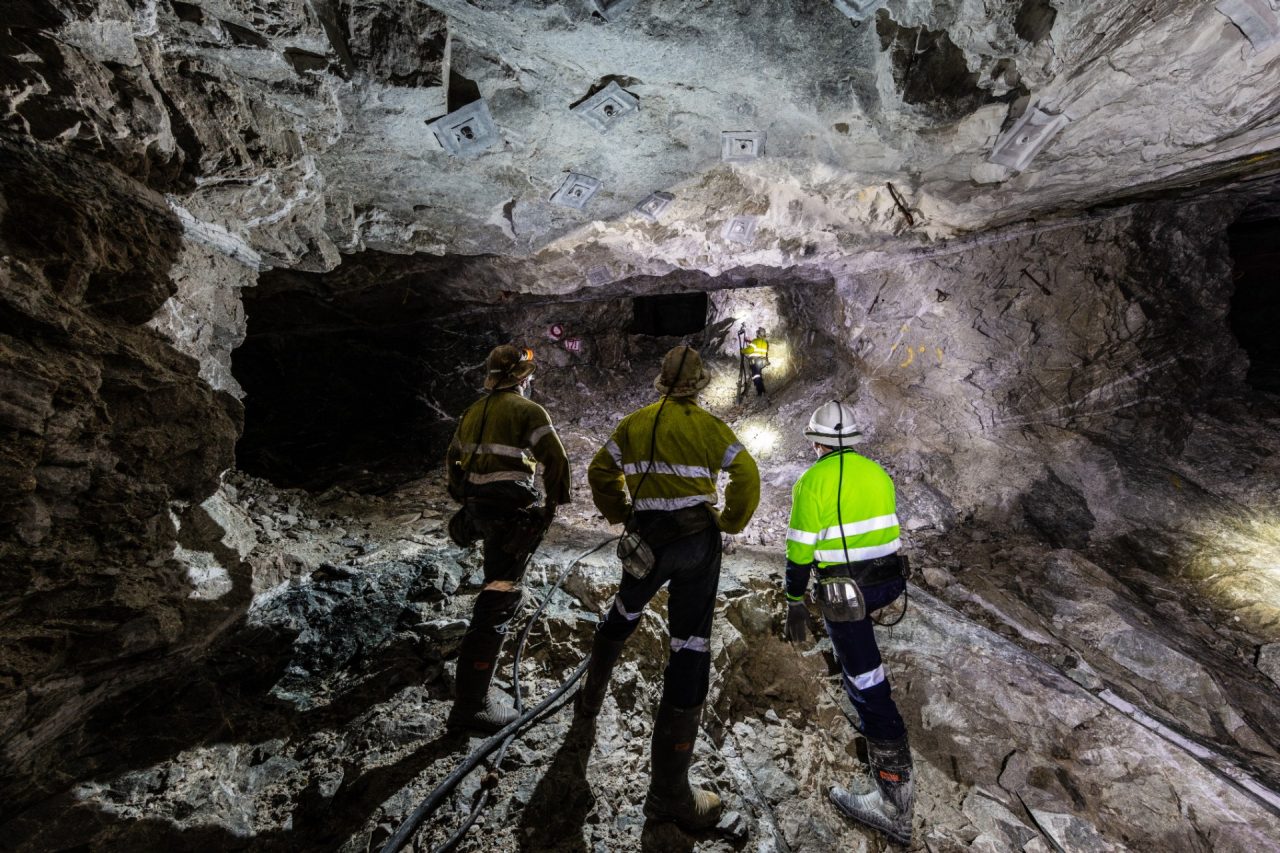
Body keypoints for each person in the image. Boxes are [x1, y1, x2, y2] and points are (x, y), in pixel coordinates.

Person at [580, 345, 760, 832]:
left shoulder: (635, 423)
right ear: (699, 386)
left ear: (660, 381)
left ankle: (589, 703)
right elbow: (746, 472)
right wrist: (730, 519)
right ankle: (670, 795)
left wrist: (621, 513)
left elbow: (599, 470)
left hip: (647, 539)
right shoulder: (708, 428)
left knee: (625, 608)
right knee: (690, 642)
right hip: (697, 540)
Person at [782, 400, 913, 845]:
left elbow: (800, 552)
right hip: (888, 583)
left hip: (848, 594)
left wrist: (794, 599)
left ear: (817, 441)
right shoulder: (877, 473)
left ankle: (893, 804)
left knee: (866, 680)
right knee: (864, 661)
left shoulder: (812, 481)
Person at [444, 344, 571, 732]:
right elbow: (557, 460)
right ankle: (472, 707)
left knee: (494, 587)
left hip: (478, 510)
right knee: (498, 597)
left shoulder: (471, 412)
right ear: (521, 377)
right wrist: (553, 505)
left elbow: (453, 461)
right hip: (508, 509)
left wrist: (464, 499)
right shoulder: (527, 411)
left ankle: (473, 694)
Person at [740, 327, 769, 396]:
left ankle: (761, 391)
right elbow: (758, 346)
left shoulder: (755, 341)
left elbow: (750, 350)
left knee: (756, 376)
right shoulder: (765, 342)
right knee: (757, 375)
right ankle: (761, 391)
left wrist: (742, 350)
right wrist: (749, 341)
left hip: (755, 361)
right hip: (762, 362)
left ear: (758, 334)